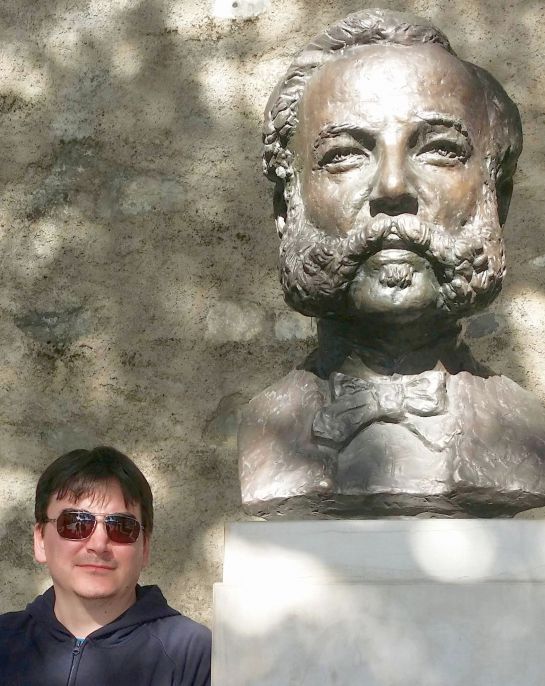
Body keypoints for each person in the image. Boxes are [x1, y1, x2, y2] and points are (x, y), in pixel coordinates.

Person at [239, 8, 545, 517]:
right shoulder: (268, 431)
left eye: (440, 150)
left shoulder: (524, 431)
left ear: (499, 196)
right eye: (344, 155)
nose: (393, 187)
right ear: (285, 209)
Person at [0, 446, 211, 685]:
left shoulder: (194, 656)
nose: (99, 544)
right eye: (75, 523)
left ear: (145, 547)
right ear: (40, 540)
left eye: (121, 527)